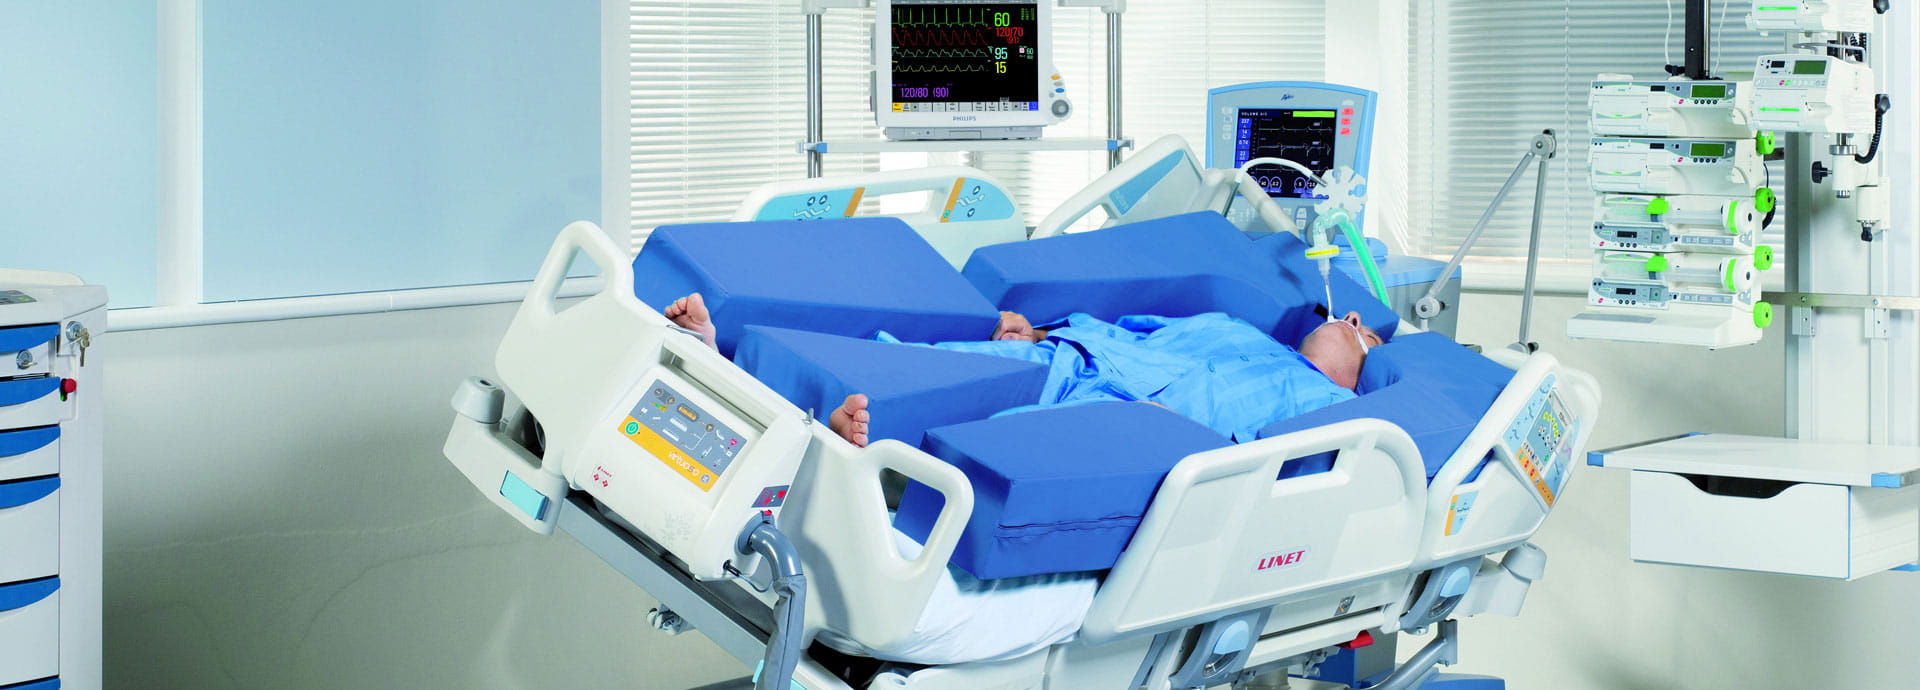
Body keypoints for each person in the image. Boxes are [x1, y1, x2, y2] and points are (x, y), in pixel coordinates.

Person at [663, 292, 1383, 447]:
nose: (1349, 319)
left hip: (1134, 421)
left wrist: (1170, 436)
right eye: (1347, 315)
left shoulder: (1326, 406)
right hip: (1066, 359)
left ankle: (847, 456)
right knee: (904, 364)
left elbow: (1254, 460)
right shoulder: (1235, 328)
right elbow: (1125, 328)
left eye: (1364, 331)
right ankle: (722, 364)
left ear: (1365, 366)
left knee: (990, 437)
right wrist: (1034, 330)